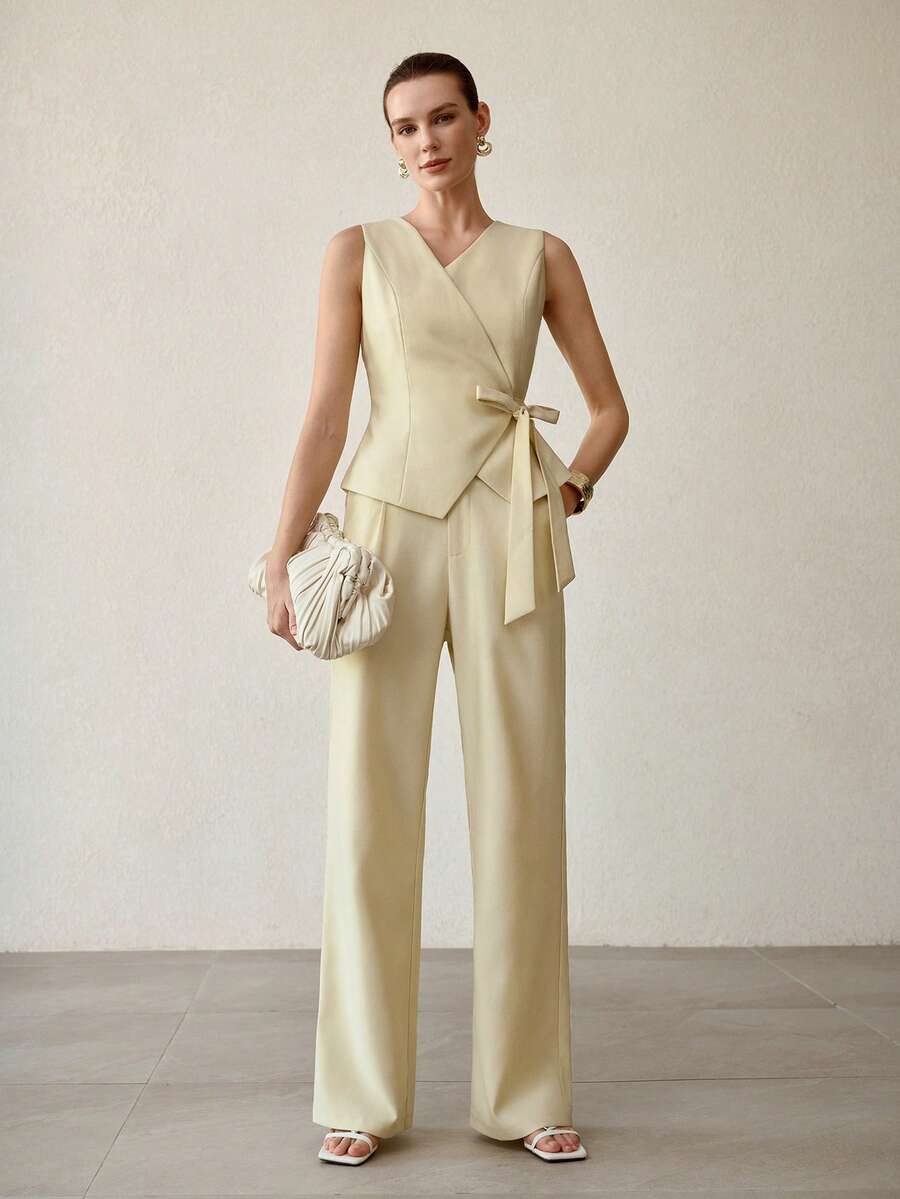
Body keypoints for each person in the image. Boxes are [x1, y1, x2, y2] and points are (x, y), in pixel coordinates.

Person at [264, 52, 628, 1166]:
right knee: (369, 806)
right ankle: (360, 1095)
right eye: (403, 126)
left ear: (480, 122)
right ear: (392, 142)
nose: (424, 140)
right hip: (384, 531)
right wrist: (281, 552)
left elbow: (609, 409)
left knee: (522, 799)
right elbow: (328, 414)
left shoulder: (541, 255)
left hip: (511, 530)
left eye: (442, 118)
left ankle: (528, 1092)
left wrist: (568, 488)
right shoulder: (357, 251)